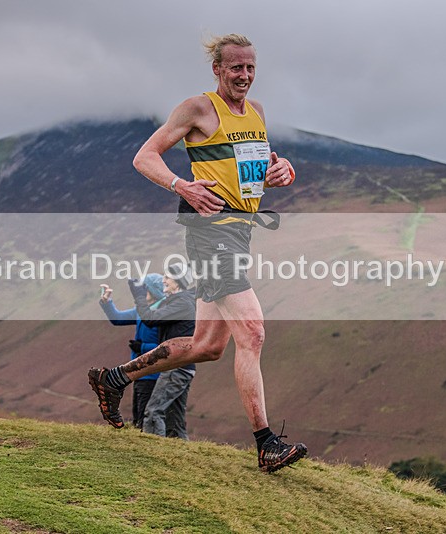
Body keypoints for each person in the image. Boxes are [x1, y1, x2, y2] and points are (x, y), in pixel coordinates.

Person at [89, 34, 306, 473]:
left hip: (240, 233)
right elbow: (144, 156)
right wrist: (181, 184)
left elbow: (254, 171)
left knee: (207, 346)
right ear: (217, 70)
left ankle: (114, 379)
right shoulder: (198, 109)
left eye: (249, 68)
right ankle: (266, 444)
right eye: (235, 68)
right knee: (254, 331)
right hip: (208, 233)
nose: (244, 76)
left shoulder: (258, 113)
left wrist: (279, 172)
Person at [132, 263, 197, 440]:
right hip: (182, 366)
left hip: (176, 367)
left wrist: (138, 296)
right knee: (175, 420)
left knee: (153, 411)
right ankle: (183, 458)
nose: (164, 280)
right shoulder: (181, 302)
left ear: (179, 282)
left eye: (168, 277)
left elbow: (151, 319)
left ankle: (153, 453)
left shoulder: (182, 303)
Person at [98, 273, 165, 429]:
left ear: (154, 291)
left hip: (153, 373)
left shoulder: (163, 313)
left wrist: (141, 347)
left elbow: (165, 346)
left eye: (144, 290)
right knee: (138, 414)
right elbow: (117, 318)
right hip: (139, 371)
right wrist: (107, 302)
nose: (141, 293)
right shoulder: (141, 310)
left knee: (145, 415)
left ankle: (147, 444)